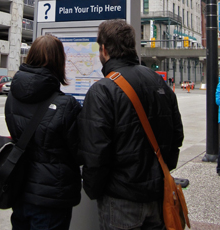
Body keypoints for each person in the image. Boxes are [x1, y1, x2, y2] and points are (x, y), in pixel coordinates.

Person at [78, 19, 184, 230]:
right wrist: (159, 174)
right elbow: (176, 135)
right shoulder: (158, 81)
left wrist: (94, 190)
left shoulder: (103, 90)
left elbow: (96, 152)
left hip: (120, 198)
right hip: (157, 195)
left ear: (104, 50)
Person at [5, 34, 81, 230]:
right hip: (52, 197)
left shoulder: (13, 96)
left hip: (20, 188)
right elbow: (80, 153)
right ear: (59, 62)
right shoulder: (67, 105)